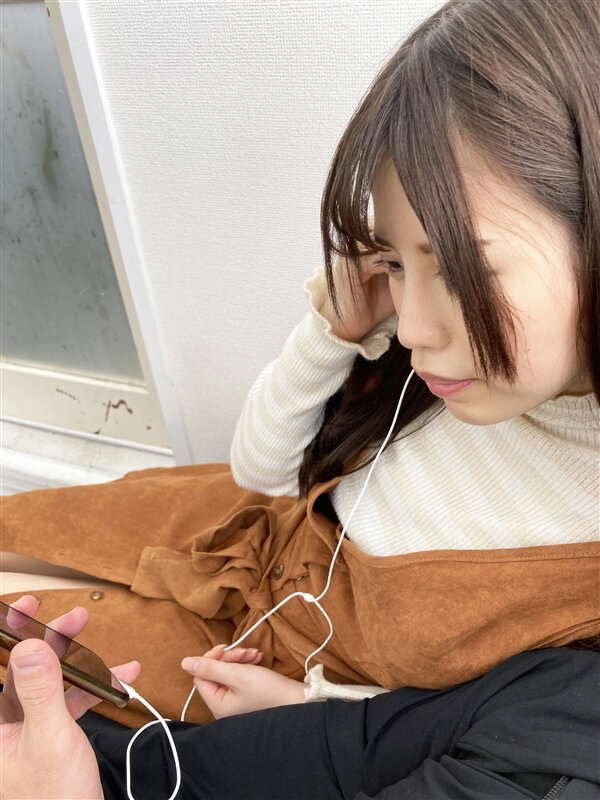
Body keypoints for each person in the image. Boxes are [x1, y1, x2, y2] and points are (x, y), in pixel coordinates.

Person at [1, 0, 599, 795]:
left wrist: (311, 707)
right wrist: (331, 332)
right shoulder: (438, 368)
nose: (414, 327)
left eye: (460, 266)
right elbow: (262, 469)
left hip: (261, 663)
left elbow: (487, 721)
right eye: (396, 262)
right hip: (234, 523)